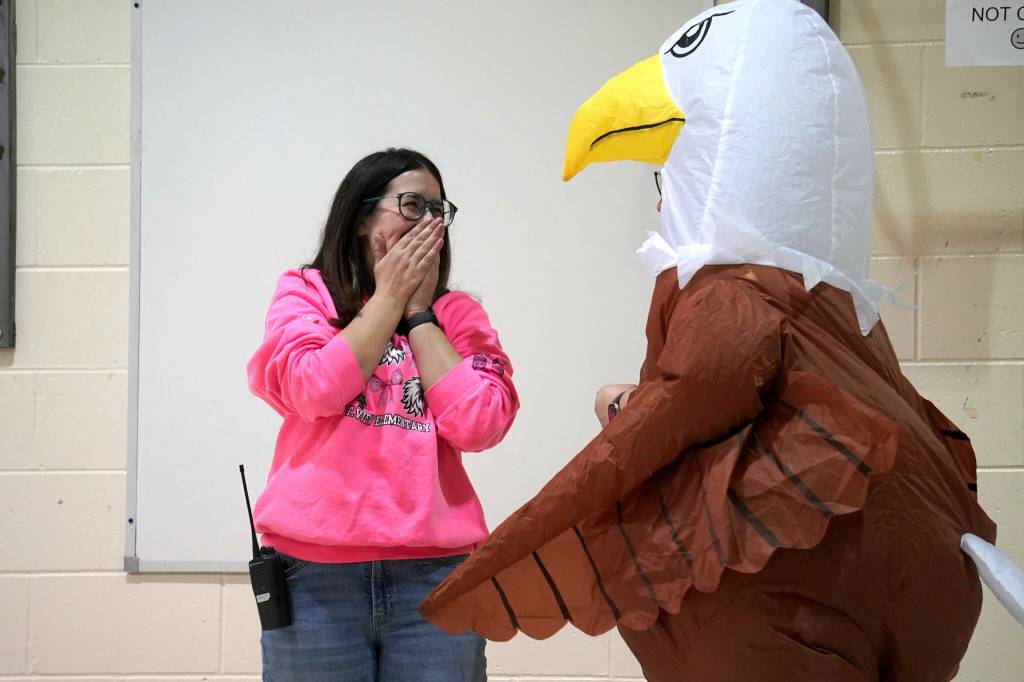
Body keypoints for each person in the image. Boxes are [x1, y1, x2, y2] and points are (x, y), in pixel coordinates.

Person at [419, 3, 998, 681]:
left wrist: (527, 541)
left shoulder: (732, 294)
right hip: (922, 591)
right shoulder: (845, 311)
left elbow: (692, 397)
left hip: (787, 614)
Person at [246, 147, 518, 681]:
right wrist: (388, 298)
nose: (430, 224)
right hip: (314, 576)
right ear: (362, 217)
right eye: (413, 206)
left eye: (440, 211)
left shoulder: (457, 315)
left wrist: (418, 315)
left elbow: (481, 423)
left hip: (438, 576)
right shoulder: (307, 293)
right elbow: (312, 388)